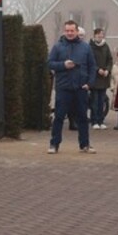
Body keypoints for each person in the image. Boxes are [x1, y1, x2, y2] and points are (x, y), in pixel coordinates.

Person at [47, 19, 96, 154]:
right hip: (63, 88)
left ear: (77, 31)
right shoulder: (58, 47)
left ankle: (84, 145)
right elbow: (49, 63)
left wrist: (89, 83)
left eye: (72, 31)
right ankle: (54, 144)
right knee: (59, 117)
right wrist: (63, 65)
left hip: (81, 88)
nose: (69, 33)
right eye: (67, 31)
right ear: (64, 31)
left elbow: (92, 66)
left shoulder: (85, 47)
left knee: (82, 118)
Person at [89, 28, 113, 129]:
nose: (100, 36)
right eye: (98, 35)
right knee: (94, 101)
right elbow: (90, 61)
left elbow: (110, 60)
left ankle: (101, 121)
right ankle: (94, 121)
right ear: (94, 36)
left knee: (102, 101)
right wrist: (97, 69)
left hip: (104, 78)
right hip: (94, 78)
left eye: (101, 34)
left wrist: (107, 70)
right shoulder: (90, 47)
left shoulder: (105, 46)